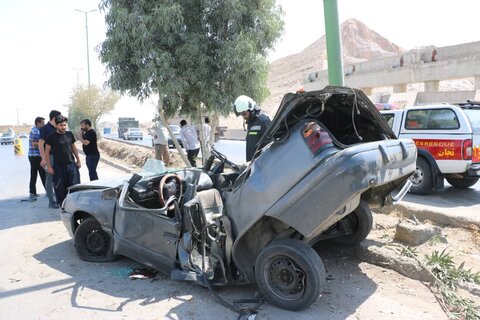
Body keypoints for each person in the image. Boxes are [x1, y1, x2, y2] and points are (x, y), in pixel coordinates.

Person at [45, 115, 81, 206]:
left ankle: (74, 207)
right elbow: (47, 152)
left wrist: (78, 160)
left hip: (71, 166)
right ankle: (63, 207)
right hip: (58, 167)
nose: (63, 127)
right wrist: (49, 167)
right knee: (60, 189)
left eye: (65, 125)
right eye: (61, 125)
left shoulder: (69, 134)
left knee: (75, 187)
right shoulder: (51, 137)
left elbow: (74, 148)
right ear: (56, 125)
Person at [233, 95, 272, 161]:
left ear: (250, 109)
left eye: (244, 114)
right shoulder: (251, 122)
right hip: (251, 163)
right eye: (241, 115)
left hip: (261, 165)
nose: (243, 117)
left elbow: (269, 146)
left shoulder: (264, 121)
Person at [39, 110, 61, 208]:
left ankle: (59, 199)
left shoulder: (58, 127)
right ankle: (51, 202)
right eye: (59, 117)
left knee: (59, 178)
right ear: (54, 118)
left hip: (59, 157)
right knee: (50, 178)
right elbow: (40, 144)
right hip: (50, 157)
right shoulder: (45, 128)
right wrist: (43, 159)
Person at [28, 117, 46, 199]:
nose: (43, 124)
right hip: (35, 156)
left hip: (34, 156)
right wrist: (43, 142)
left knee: (34, 174)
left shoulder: (38, 130)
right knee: (43, 173)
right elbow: (34, 143)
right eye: (42, 123)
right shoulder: (35, 131)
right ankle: (49, 192)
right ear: (38, 123)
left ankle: (32, 192)